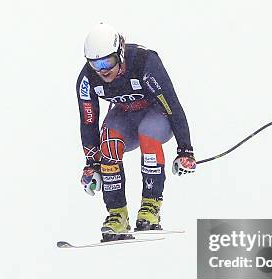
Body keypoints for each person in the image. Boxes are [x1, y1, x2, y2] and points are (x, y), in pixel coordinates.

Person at [76, 23, 196, 240]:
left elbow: (172, 105)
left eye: (108, 61)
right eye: (96, 64)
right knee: (109, 141)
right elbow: (88, 121)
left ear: (120, 52)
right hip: (125, 117)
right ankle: (117, 215)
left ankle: (150, 208)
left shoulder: (144, 62)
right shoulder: (87, 78)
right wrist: (92, 165)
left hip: (156, 115)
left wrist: (185, 150)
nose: (103, 69)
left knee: (148, 133)